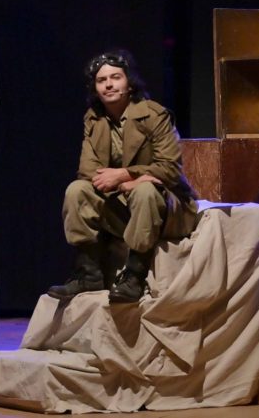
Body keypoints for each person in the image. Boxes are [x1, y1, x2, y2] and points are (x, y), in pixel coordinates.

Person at [48, 50, 199, 303]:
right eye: (101, 80)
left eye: (115, 77)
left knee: (145, 191)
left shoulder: (154, 115)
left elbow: (170, 169)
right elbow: (88, 171)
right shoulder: (94, 118)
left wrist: (126, 175)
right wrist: (130, 181)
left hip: (166, 206)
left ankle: (134, 276)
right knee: (77, 190)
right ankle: (88, 274)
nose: (108, 84)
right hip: (123, 203)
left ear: (129, 83)